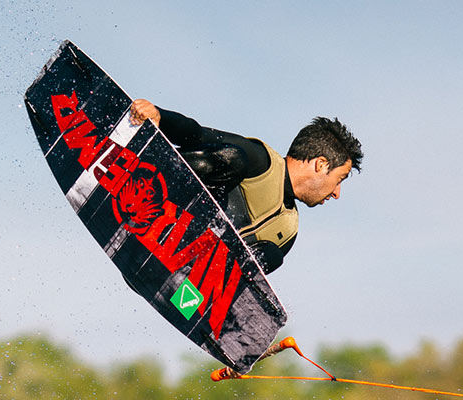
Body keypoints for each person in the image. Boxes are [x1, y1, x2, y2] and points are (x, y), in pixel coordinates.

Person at [130, 100, 362, 276]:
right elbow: (196, 134)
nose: (337, 193)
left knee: (271, 254)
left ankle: (188, 282)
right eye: (340, 179)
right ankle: (144, 184)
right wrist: (160, 115)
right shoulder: (260, 161)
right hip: (154, 214)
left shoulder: (286, 233)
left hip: (178, 270)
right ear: (321, 165)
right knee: (232, 158)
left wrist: (249, 337)